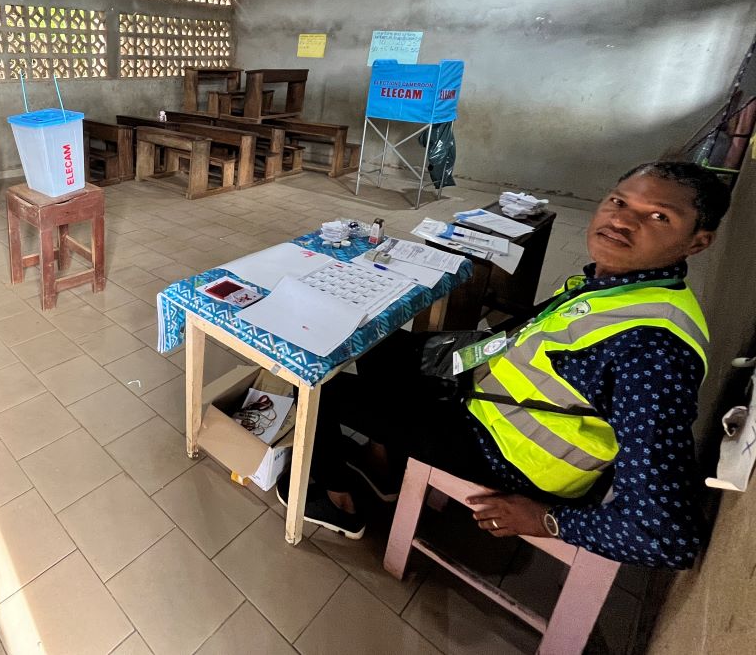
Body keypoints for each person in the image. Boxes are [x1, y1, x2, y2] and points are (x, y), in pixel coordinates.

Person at [284, 161, 730, 570]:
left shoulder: (652, 353)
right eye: (618, 201)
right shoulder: (629, 286)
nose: (622, 220)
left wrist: (549, 520)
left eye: (659, 217)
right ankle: (384, 468)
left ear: (698, 242)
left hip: (507, 452)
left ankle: (334, 500)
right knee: (379, 345)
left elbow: (667, 536)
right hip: (495, 398)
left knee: (322, 387)